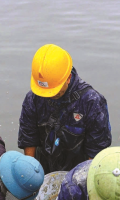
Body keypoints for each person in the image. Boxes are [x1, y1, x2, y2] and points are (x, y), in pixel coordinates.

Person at [17, 44, 112, 174]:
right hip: (43, 165)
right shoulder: (33, 98)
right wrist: (31, 170)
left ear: (68, 78)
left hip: (79, 168)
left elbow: (97, 148)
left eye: (53, 91)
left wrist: (83, 181)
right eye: (45, 92)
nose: (49, 95)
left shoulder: (92, 102)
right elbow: (28, 135)